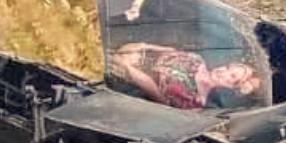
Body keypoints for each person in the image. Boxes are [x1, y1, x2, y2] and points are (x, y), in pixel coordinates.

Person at [109, 42, 261, 110]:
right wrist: (141, 47)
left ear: (230, 87)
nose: (223, 71)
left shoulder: (195, 102)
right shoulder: (196, 59)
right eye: (228, 67)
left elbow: (152, 90)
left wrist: (125, 66)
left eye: (232, 76)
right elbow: (162, 50)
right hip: (121, 58)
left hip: (121, 86)